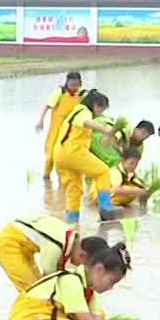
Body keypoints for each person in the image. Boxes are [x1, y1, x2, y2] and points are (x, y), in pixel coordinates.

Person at [5, 245, 133, 320]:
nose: (110, 287)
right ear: (99, 270)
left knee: (99, 317)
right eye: (111, 281)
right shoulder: (72, 281)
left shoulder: (89, 291)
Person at [51, 89, 118, 222]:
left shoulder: (76, 111)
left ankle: (72, 223)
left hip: (59, 156)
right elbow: (86, 122)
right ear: (93, 104)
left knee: (75, 190)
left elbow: (91, 122)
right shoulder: (83, 111)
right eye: (100, 108)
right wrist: (106, 129)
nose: (101, 111)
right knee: (102, 171)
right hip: (73, 152)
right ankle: (105, 208)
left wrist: (107, 122)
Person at [0, 216, 106, 293]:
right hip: (8, 243)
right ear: (82, 256)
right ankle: (33, 319)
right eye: (85, 264)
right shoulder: (56, 247)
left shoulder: (69, 236)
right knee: (32, 289)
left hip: (24, 245)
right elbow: (49, 280)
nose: (81, 267)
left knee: (36, 283)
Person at [34, 71, 84, 184]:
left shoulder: (82, 95)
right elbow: (47, 106)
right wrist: (41, 121)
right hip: (56, 130)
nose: (74, 88)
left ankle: (63, 181)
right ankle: (46, 178)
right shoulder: (60, 93)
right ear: (67, 83)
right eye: (71, 85)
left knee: (66, 155)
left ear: (80, 83)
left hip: (71, 131)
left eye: (76, 85)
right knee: (51, 155)